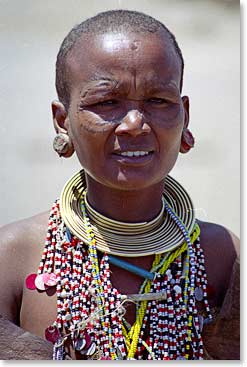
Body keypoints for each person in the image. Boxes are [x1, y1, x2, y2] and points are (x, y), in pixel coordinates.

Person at [0, 10, 240, 360]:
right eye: (106, 102)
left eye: (158, 101)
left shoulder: (226, 256)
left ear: (185, 118)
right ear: (62, 121)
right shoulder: (12, 257)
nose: (134, 124)